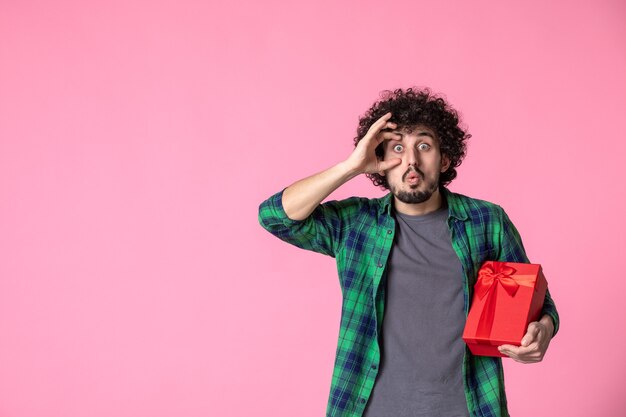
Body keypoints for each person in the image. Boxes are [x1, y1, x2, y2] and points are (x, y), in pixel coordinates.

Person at [257, 87, 559, 417]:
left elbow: (538, 304)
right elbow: (275, 216)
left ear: (444, 159)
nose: (411, 159)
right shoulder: (358, 223)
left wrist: (542, 329)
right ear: (380, 163)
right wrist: (350, 167)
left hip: (468, 408)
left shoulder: (486, 221)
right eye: (398, 147)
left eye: (424, 146)